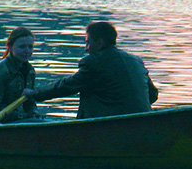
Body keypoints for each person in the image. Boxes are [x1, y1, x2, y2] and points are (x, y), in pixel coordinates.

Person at [26, 21, 158, 119]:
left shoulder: (93, 62)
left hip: (111, 126)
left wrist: (35, 93)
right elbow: (152, 95)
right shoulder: (136, 60)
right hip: (141, 119)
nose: (86, 48)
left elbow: (66, 86)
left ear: (100, 42)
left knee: (88, 91)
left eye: (88, 42)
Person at [0, 26, 40, 123]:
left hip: (19, 119)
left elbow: (29, 102)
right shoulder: (0, 71)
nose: (27, 51)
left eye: (30, 47)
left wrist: (33, 114)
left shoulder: (30, 71)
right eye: (22, 47)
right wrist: (22, 116)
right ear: (10, 47)